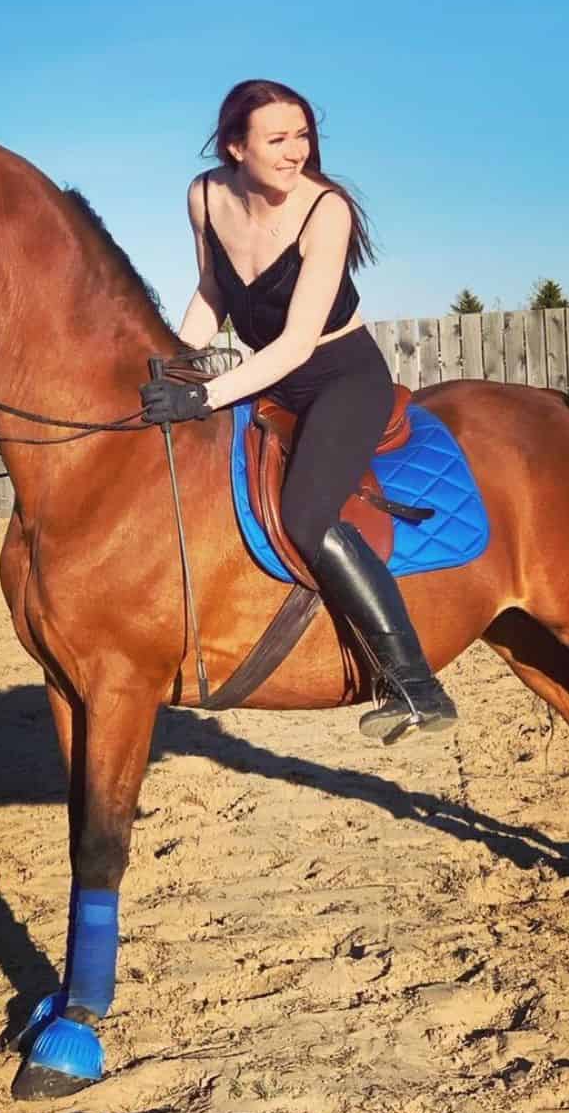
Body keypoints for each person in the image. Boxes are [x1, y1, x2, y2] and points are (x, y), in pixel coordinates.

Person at [140, 79, 456, 741]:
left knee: (308, 514)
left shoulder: (327, 211)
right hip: (269, 378)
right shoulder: (205, 197)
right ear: (234, 147)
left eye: (303, 136)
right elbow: (211, 290)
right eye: (277, 139)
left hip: (340, 377)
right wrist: (170, 358)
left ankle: (415, 684)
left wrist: (202, 393)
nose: (295, 153)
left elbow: (295, 343)